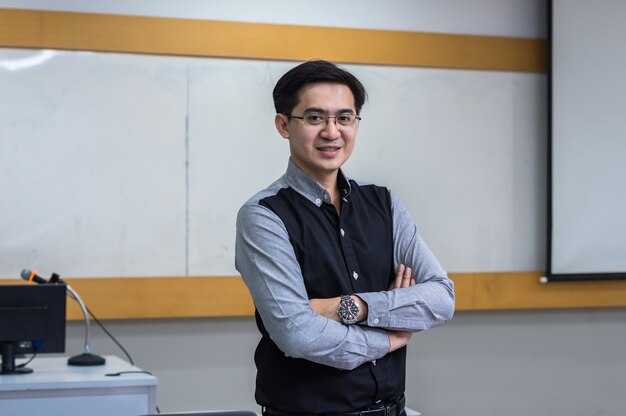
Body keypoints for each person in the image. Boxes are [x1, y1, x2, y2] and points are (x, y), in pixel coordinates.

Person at [235, 60, 454, 416]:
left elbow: (442, 297)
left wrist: (353, 307)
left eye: (344, 118)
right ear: (283, 125)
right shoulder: (264, 216)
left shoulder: (384, 203)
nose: (332, 132)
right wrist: (389, 334)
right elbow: (297, 334)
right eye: (315, 117)